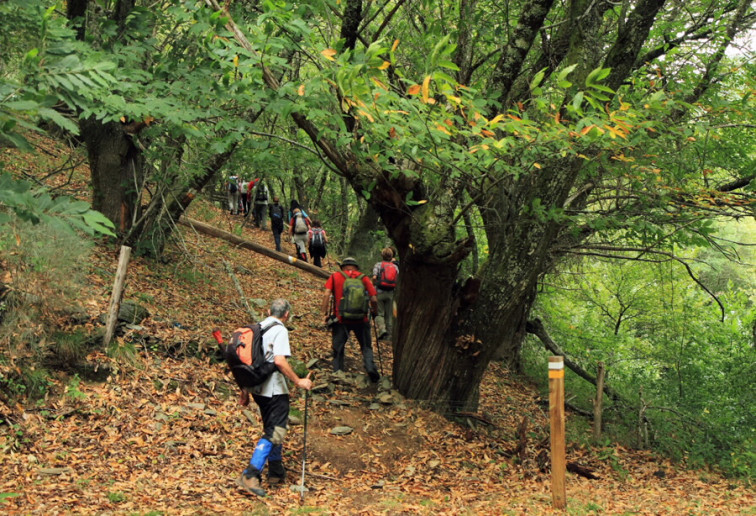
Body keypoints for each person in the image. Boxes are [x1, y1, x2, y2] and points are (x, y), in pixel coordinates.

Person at [237, 298, 313, 497]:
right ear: (286, 314)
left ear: (268, 310)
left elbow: (247, 361)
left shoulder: (256, 329)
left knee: (271, 428)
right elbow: (279, 361)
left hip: (257, 388)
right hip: (274, 390)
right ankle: (250, 474)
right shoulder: (280, 330)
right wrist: (298, 381)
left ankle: (276, 471)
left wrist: (245, 389)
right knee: (276, 431)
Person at [321, 257, 380, 382]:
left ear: (343, 267)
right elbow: (374, 299)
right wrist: (375, 312)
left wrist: (324, 314)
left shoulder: (335, 276)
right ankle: (370, 369)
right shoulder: (363, 278)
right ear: (356, 267)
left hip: (341, 320)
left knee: (338, 347)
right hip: (361, 320)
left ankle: (338, 373)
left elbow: (326, 294)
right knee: (366, 346)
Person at [371, 247, 398, 341]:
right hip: (390, 293)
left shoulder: (378, 265)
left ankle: (382, 329)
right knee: (389, 315)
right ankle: (389, 335)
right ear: (391, 256)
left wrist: (374, 285)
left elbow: (374, 277)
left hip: (379, 292)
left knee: (379, 314)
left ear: (382, 255)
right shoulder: (395, 267)